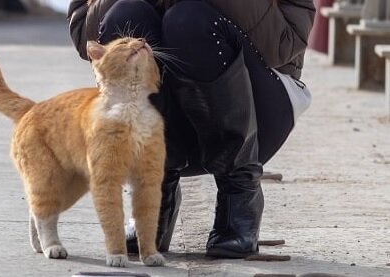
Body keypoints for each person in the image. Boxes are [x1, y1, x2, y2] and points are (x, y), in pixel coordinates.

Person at [67, 0, 315, 258]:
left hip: (257, 108)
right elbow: (86, 38)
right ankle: (154, 198)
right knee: (126, 14)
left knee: (188, 20)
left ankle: (239, 199)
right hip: (162, 129)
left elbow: (286, 43)